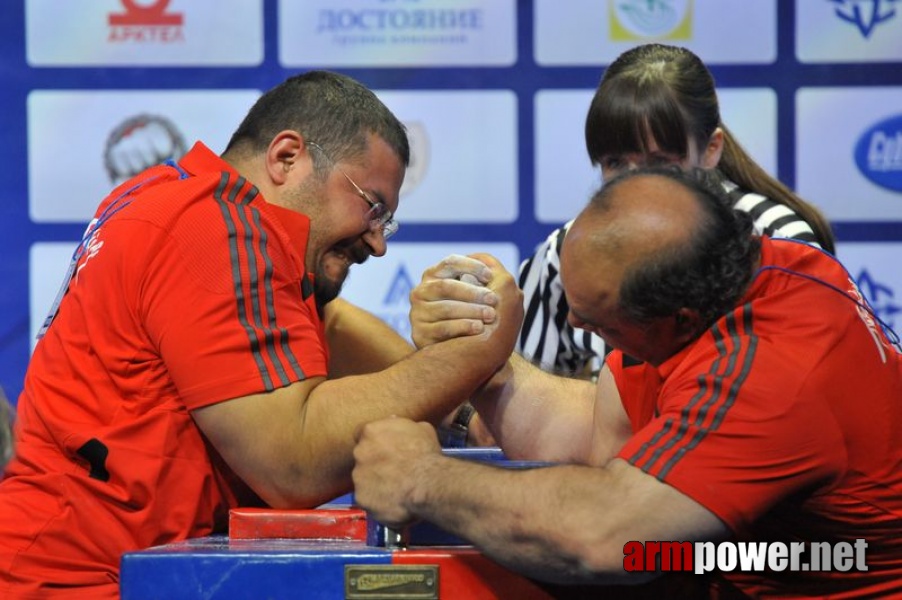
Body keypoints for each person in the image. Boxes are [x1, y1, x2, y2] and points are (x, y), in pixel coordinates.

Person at [0, 71, 523, 599]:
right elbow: (292, 461)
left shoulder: (170, 196)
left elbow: (328, 324)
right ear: (287, 157)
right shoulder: (218, 225)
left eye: (386, 222)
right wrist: (477, 352)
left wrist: (463, 418)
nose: (377, 242)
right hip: (76, 579)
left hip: (90, 565)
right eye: (372, 206)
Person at [353, 167, 902, 597]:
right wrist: (488, 363)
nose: (571, 325)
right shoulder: (758, 269)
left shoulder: (776, 375)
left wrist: (421, 478)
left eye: (595, 322)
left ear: (678, 320)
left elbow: (604, 535)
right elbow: (598, 438)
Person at [518, 43, 836, 378]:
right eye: (615, 163)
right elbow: (528, 403)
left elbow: (808, 390)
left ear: (711, 149)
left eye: (660, 163)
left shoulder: (781, 240)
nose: (637, 184)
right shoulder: (567, 251)